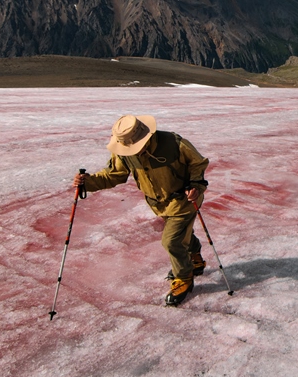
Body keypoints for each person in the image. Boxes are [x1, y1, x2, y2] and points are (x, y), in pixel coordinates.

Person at [74, 114, 209, 306]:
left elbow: (198, 163)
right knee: (181, 234)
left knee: (171, 241)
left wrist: (196, 184)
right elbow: (114, 175)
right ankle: (195, 259)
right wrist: (87, 183)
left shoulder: (174, 143)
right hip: (159, 204)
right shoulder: (124, 153)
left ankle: (184, 278)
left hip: (184, 200)